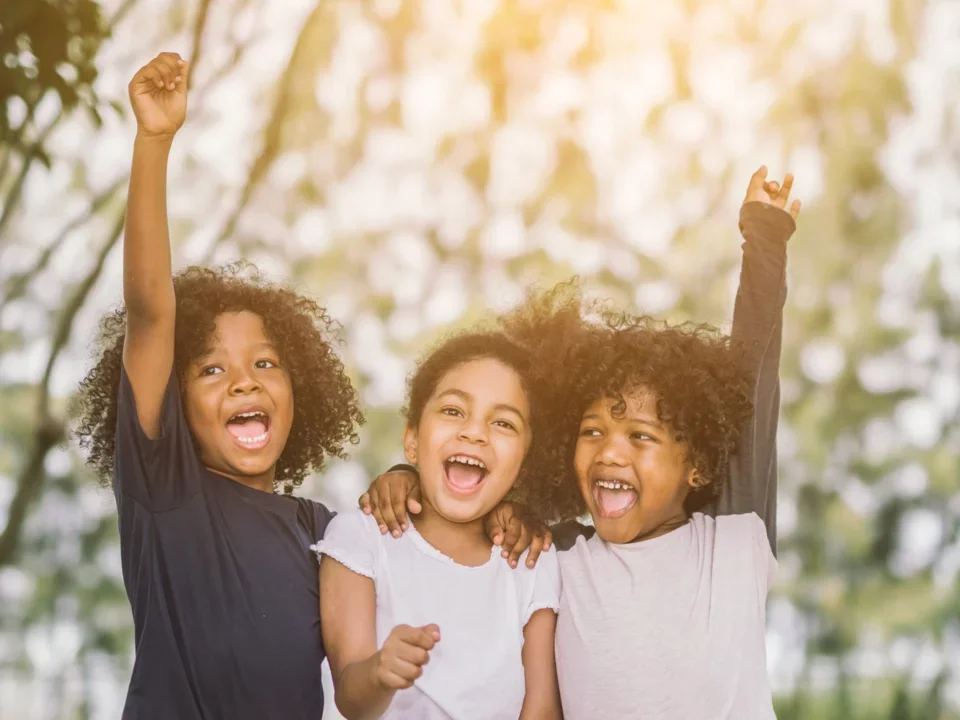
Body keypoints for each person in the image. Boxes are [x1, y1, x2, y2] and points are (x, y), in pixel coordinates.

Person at [361, 169, 800, 718]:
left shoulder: (735, 538)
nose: (610, 451)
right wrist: (405, 479)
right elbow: (467, 491)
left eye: (641, 436)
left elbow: (753, 374)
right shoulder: (558, 554)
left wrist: (765, 236)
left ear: (699, 463)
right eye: (591, 431)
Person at [74, 52, 365, 719]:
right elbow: (152, 311)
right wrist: (154, 141)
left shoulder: (320, 530)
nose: (243, 382)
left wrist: (407, 476)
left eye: (265, 364)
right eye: (211, 369)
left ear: (302, 391)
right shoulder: (165, 491)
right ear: (173, 404)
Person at [317, 332, 563, 719]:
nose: (474, 432)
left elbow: (542, 708)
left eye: (503, 423)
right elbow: (351, 698)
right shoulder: (361, 538)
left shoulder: (531, 562)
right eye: (453, 411)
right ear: (412, 440)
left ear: (523, 466)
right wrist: (380, 672)